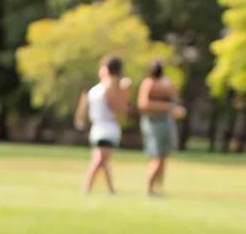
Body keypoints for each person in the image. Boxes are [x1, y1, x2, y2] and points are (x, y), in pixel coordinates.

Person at [74, 56, 129, 195]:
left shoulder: (113, 85)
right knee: (102, 160)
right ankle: (111, 190)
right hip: (98, 126)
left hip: (107, 127)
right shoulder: (100, 86)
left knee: (99, 158)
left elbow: (117, 106)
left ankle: (87, 187)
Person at [137, 60, 186, 196]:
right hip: (154, 123)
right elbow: (143, 104)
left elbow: (175, 98)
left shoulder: (165, 84)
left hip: (164, 122)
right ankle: (150, 188)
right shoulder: (149, 84)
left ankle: (157, 187)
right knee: (158, 157)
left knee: (162, 156)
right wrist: (169, 107)